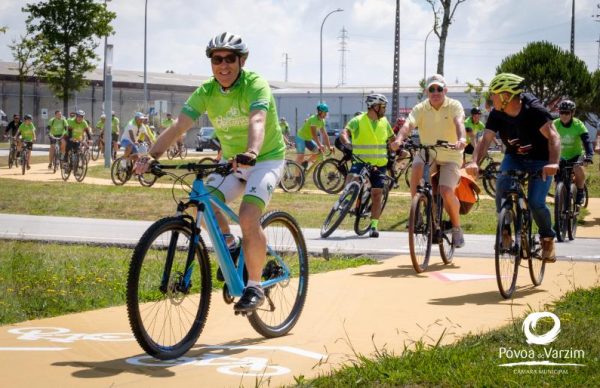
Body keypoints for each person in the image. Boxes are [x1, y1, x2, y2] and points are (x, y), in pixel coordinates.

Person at [135, 32, 286, 313]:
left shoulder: (255, 85)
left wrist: (252, 151)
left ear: (241, 61)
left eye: (230, 59)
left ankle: (254, 286)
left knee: (248, 216)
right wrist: (151, 155)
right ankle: (231, 246)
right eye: (217, 59)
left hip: (265, 159)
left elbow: (257, 119)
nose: (223, 65)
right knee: (201, 206)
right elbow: (179, 126)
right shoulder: (206, 91)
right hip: (231, 161)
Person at [466, 73, 560, 262]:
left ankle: (547, 239)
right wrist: (475, 162)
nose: (491, 98)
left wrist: (553, 163)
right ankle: (506, 231)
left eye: (494, 94)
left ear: (506, 96)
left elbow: (554, 137)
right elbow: (485, 141)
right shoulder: (497, 113)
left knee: (535, 203)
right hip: (514, 157)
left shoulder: (534, 111)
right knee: (501, 185)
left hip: (541, 159)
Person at [391, 74, 467, 248]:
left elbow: (459, 123)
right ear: (426, 92)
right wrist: (398, 140)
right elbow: (408, 125)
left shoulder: (454, 105)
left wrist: (461, 138)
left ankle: (456, 228)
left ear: (445, 90)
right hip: (429, 151)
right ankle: (417, 211)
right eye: (431, 89)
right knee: (417, 167)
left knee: (446, 191)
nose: (435, 92)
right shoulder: (421, 108)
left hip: (451, 154)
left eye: (439, 89)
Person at [339, 93, 394, 238]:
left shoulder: (384, 122)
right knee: (353, 177)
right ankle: (346, 199)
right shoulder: (358, 120)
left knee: (377, 195)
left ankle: (374, 226)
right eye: (383, 107)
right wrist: (347, 142)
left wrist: (398, 147)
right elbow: (344, 132)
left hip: (380, 164)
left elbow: (392, 139)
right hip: (361, 160)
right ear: (374, 106)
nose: (384, 110)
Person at [553, 99, 594, 204]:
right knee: (557, 177)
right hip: (560, 156)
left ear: (572, 113)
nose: (564, 115)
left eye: (567, 113)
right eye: (562, 112)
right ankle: (560, 201)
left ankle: (580, 192)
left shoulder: (578, 124)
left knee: (577, 167)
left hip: (576, 155)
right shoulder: (555, 124)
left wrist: (589, 155)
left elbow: (587, 141)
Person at [295, 103, 333, 169]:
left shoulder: (322, 121)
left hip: (308, 139)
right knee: (300, 156)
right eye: (325, 112)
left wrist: (329, 146)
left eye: (326, 112)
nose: (326, 114)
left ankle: (306, 163)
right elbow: (314, 134)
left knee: (318, 152)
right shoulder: (313, 119)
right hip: (300, 137)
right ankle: (297, 177)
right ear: (320, 112)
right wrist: (320, 145)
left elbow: (324, 134)